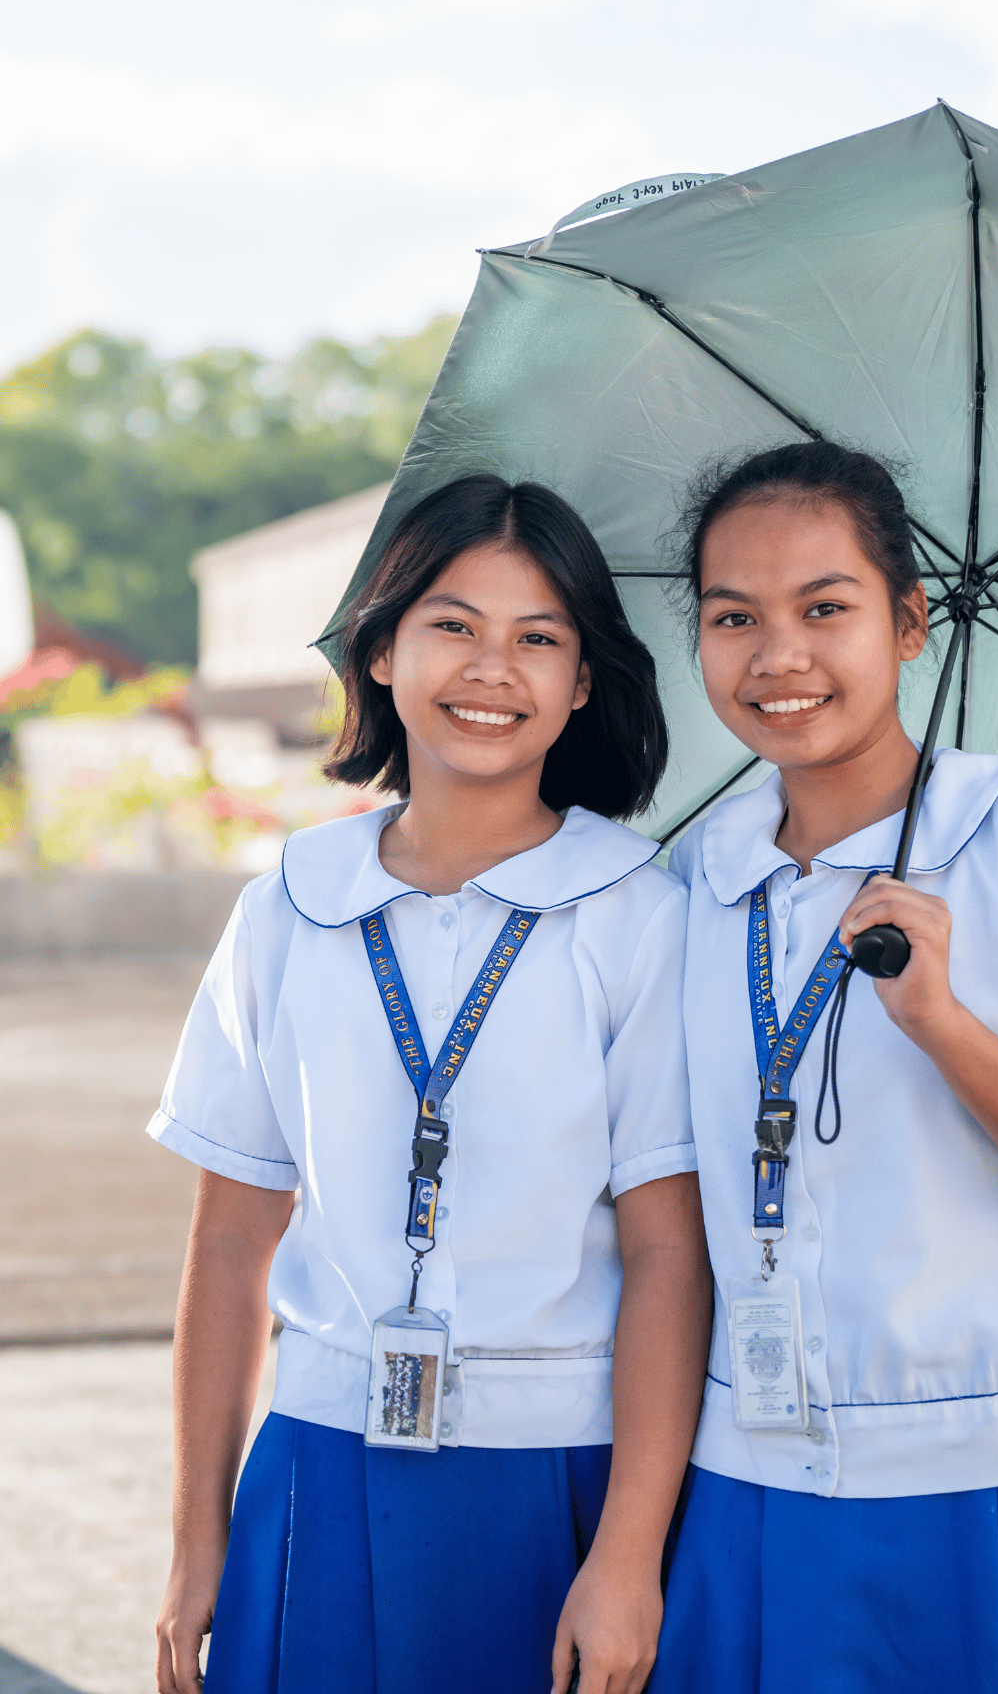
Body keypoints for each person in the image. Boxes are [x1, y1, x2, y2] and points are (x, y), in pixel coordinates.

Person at [652, 441, 998, 1693]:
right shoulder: (691, 882)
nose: (778, 657)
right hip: (751, 1482)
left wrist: (944, 1023)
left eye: (825, 609)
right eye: (735, 616)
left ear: (908, 625)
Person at [150, 475, 710, 1694]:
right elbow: (231, 1243)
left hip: (557, 1471)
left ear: (582, 683)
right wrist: (201, 1539)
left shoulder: (642, 914)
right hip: (316, 1469)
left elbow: (671, 1256)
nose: (491, 670)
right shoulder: (286, 908)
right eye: (454, 624)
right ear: (384, 647)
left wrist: (624, 1555)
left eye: (539, 638)